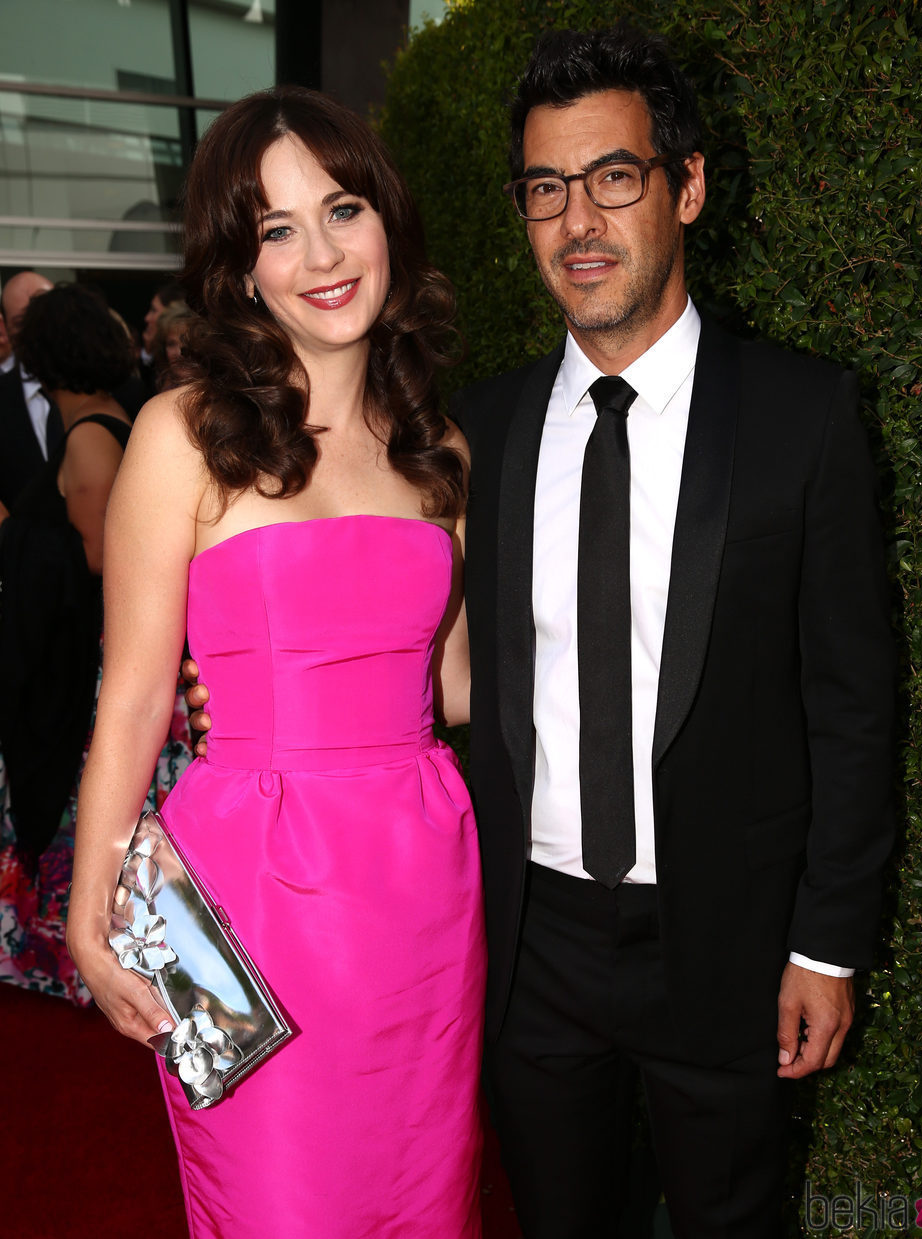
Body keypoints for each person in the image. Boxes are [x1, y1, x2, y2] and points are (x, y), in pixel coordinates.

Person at [450, 27, 895, 1239]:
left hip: (729, 945)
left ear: (684, 187)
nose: (577, 220)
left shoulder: (800, 415)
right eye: (546, 189)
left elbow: (851, 702)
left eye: (613, 176)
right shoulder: (475, 433)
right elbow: (437, 667)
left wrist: (825, 943)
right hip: (531, 942)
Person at [66, 86, 485, 1238]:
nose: (321, 255)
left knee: (422, 1202)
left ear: (387, 220)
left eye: (342, 208)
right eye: (276, 230)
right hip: (236, 900)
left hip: (422, 892)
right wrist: (92, 912)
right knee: (272, 1208)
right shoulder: (181, 434)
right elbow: (137, 693)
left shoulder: (436, 444)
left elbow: (459, 688)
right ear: (239, 269)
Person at [0, 283, 190, 1003]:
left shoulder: (91, 437)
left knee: (98, 805)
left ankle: (89, 951)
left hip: (94, 669)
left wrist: (18, 535)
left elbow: (106, 559)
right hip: (99, 661)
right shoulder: (115, 421)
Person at [0, 271, 57, 511]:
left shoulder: (111, 391)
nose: (36, 330)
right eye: (22, 321)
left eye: (45, 316)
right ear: (6, 327)